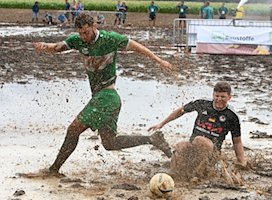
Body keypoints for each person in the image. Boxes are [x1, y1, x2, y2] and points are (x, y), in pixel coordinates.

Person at [33, 13, 173, 176]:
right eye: (80, 33)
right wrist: (45, 46)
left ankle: (53, 169)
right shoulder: (77, 41)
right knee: (109, 143)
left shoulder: (110, 39)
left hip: (107, 96)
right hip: (105, 99)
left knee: (73, 129)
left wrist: (160, 61)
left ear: (94, 26)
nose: (83, 36)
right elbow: (57, 47)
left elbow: (137, 47)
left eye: (86, 32)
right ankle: (152, 139)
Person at [148, 82, 246, 174]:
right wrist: (161, 124)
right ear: (213, 95)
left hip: (212, 153)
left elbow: (237, 142)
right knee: (180, 145)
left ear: (229, 97)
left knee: (200, 140)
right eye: (217, 96)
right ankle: (175, 175)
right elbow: (181, 111)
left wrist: (241, 162)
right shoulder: (203, 104)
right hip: (193, 148)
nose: (219, 99)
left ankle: (200, 174)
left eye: (223, 97)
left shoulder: (232, 116)